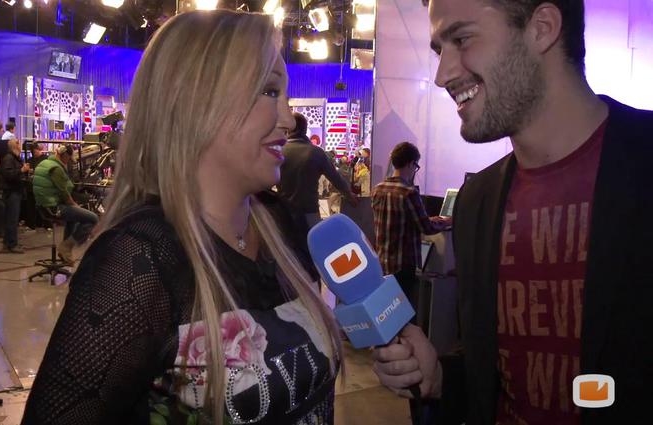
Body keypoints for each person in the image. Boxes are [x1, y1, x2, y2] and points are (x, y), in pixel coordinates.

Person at [22, 11, 343, 425]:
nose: (288, 118)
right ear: (198, 102)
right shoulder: (140, 258)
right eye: (269, 91)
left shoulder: (283, 226)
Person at [372, 1, 653, 424]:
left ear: (541, 28)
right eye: (439, 49)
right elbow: (493, 368)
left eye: (462, 39)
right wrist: (439, 377)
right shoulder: (477, 202)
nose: (442, 75)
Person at [371, 142, 448, 306]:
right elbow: (426, 228)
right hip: (403, 266)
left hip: (382, 263)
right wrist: (447, 221)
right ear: (410, 164)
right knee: (405, 312)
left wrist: (428, 219)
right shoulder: (409, 192)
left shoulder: (378, 189)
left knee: (389, 310)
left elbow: (395, 219)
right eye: (416, 166)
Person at [278, 112, 358, 229]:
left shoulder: (279, 151)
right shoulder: (316, 152)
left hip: (284, 213)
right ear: (305, 129)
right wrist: (349, 195)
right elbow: (335, 178)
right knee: (312, 240)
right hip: (309, 213)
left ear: (288, 129)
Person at [31, 144, 98, 263]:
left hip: (43, 206)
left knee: (73, 218)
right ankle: (66, 247)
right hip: (53, 208)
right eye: (69, 159)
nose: (69, 162)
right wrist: (75, 205)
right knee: (92, 218)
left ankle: (65, 252)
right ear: (65, 155)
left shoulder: (45, 163)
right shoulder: (56, 169)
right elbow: (64, 194)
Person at [0, 139, 29, 253]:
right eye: (19, 144)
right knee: (12, 219)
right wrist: (21, 170)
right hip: (12, 192)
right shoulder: (9, 158)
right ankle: (12, 244)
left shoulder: (15, 158)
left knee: (11, 219)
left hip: (16, 191)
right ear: (15, 146)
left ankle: (8, 243)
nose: (21, 146)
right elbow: (8, 174)